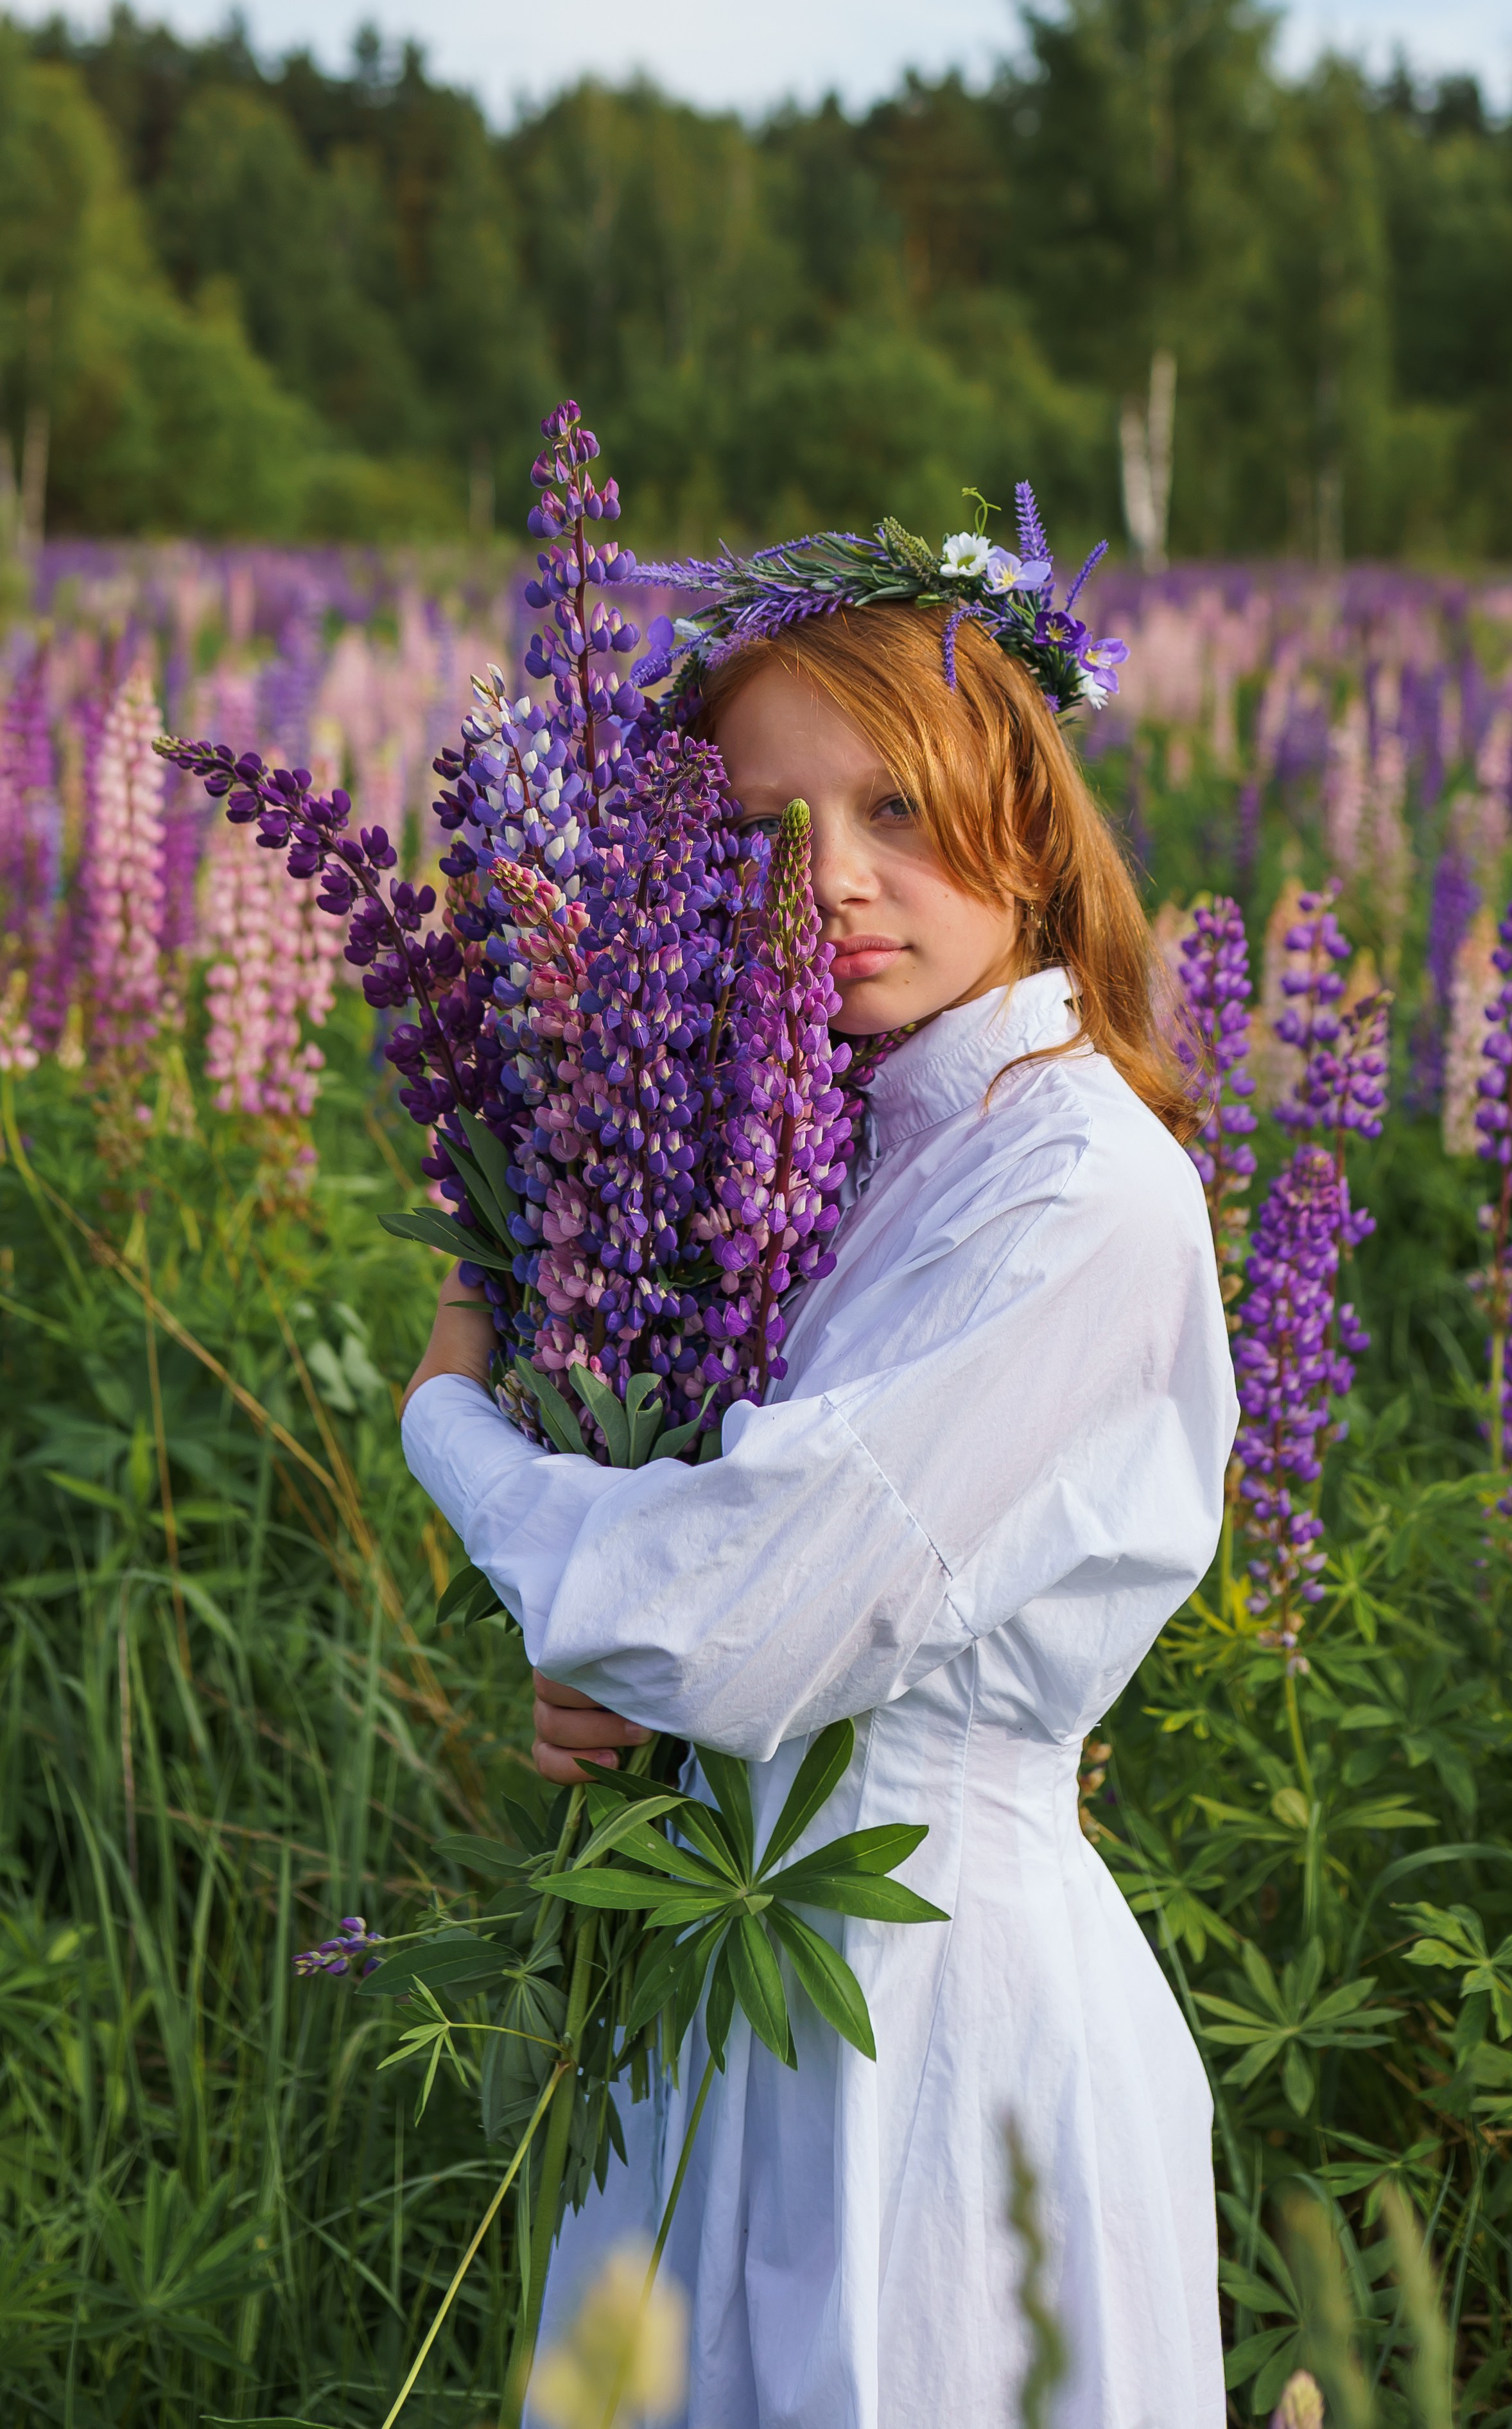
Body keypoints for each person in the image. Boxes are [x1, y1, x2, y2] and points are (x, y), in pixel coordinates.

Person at [402, 598, 1237, 2428]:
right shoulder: (826, 1139)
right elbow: (705, 1595)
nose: (832, 879)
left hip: (934, 2015)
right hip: (732, 1965)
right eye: (766, 830)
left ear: (1027, 826)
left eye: (896, 810)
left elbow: (728, 1624)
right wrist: (614, 1685)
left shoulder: (1077, 1189)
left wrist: (448, 1425)